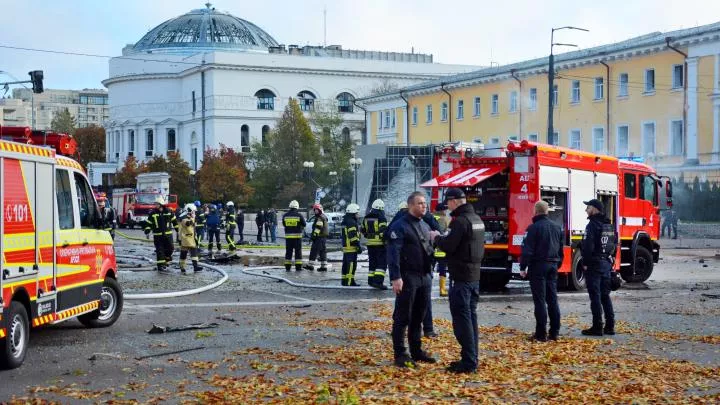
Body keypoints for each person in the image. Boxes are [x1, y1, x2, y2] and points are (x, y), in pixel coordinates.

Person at [431, 188, 485, 373]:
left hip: (461, 278)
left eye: (448, 202)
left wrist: (436, 238)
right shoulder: (476, 219)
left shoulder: (460, 222)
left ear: (454, 201)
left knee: (462, 322)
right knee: (471, 319)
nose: (447, 206)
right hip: (474, 277)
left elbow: (449, 245)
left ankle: (469, 363)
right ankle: (471, 358)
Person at [388, 191, 437, 368]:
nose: (424, 206)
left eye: (425, 203)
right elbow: (394, 253)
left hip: (424, 276)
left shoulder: (424, 224)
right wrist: (395, 277)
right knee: (403, 316)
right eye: (420, 203)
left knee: (419, 315)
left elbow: (429, 249)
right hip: (408, 276)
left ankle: (416, 350)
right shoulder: (400, 226)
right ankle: (400, 354)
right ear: (410, 205)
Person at [519, 200, 564, 342]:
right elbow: (561, 250)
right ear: (547, 211)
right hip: (553, 265)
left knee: (540, 301)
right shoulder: (557, 227)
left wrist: (522, 267)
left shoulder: (533, 228)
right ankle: (555, 332)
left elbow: (527, 250)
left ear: (536, 211)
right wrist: (557, 265)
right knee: (552, 300)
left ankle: (540, 334)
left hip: (538, 266)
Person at [580, 199, 616, 336]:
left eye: (588, 207)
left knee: (595, 296)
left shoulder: (592, 226)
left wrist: (585, 263)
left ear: (594, 209)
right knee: (605, 296)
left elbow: (588, 247)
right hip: (606, 263)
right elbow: (614, 244)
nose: (586, 210)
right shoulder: (609, 225)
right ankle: (610, 326)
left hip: (594, 265)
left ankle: (597, 326)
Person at [142, 196, 178, 272]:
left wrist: (177, 229)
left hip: (168, 235)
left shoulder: (169, 211)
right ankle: (160, 266)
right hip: (158, 236)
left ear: (161, 204)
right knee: (159, 251)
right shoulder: (153, 213)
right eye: (155, 204)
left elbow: (174, 221)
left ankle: (166, 259)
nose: (156, 205)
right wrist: (147, 229)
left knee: (171, 248)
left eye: (157, 204)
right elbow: (149, 223)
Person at [361, 199, 388, 290]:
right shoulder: (382, 217)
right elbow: (383, 231)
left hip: (370, 243)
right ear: (381, 208)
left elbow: (362, 230)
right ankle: (378, 282)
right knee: (382, 263)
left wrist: (368, 235)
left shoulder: (366, 217)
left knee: (372, 263)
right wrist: (385, 241)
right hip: (379, 244)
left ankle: (371, 281)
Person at [340, 203, 363, 286]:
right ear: (353, 213)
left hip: (346, 246)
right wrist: (358, 246)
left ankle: (344, 281)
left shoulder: (345, 221)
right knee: (351, 265)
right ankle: (350, 282)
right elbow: (352, 236)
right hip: (351, 247)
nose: (358, 215)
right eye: (357, 213)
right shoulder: (352, 222)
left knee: (345, 264)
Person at [283, 200, 306, 271]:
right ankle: (298, 268)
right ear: (297, 207)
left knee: (288, 252)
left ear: (290, 207)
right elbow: (304, 224)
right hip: (297, 237)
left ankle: (287, 267)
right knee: (298, 252)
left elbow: (284, 224)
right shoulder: (299, 215)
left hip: (288, 238)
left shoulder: (285, 215)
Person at [433, 203, 450, 297]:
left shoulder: (431, 218)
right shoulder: (442, 219)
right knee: (442, 270)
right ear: (442, 210)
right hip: (441, 249)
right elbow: (443, 233)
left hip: (430, 249)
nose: (446, 211)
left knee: (428, 270)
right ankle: (442, 290)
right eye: (445, 209)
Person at [178, 203, 201, 273]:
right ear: (189, 211)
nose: (194, 213)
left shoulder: (189, 217)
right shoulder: (184, 218)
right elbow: (187, 223)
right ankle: (182, 267)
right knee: (184, 254)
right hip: (186, 239)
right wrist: (192, 218)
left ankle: (195, 267)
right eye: (193, 211)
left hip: (191, 239)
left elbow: (193, 228)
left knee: (193, 253)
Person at [306, 203, 329, 272]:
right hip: (323, 237)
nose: (315, 211)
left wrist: (314, 236)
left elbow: (318, 227)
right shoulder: (323, 216)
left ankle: (310, 265)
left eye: (316, 210)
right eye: (314, 210)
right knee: (322, 252)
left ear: (319, 210)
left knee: (314, 251)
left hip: (319, 237)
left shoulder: (320, 218)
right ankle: (323, 266)